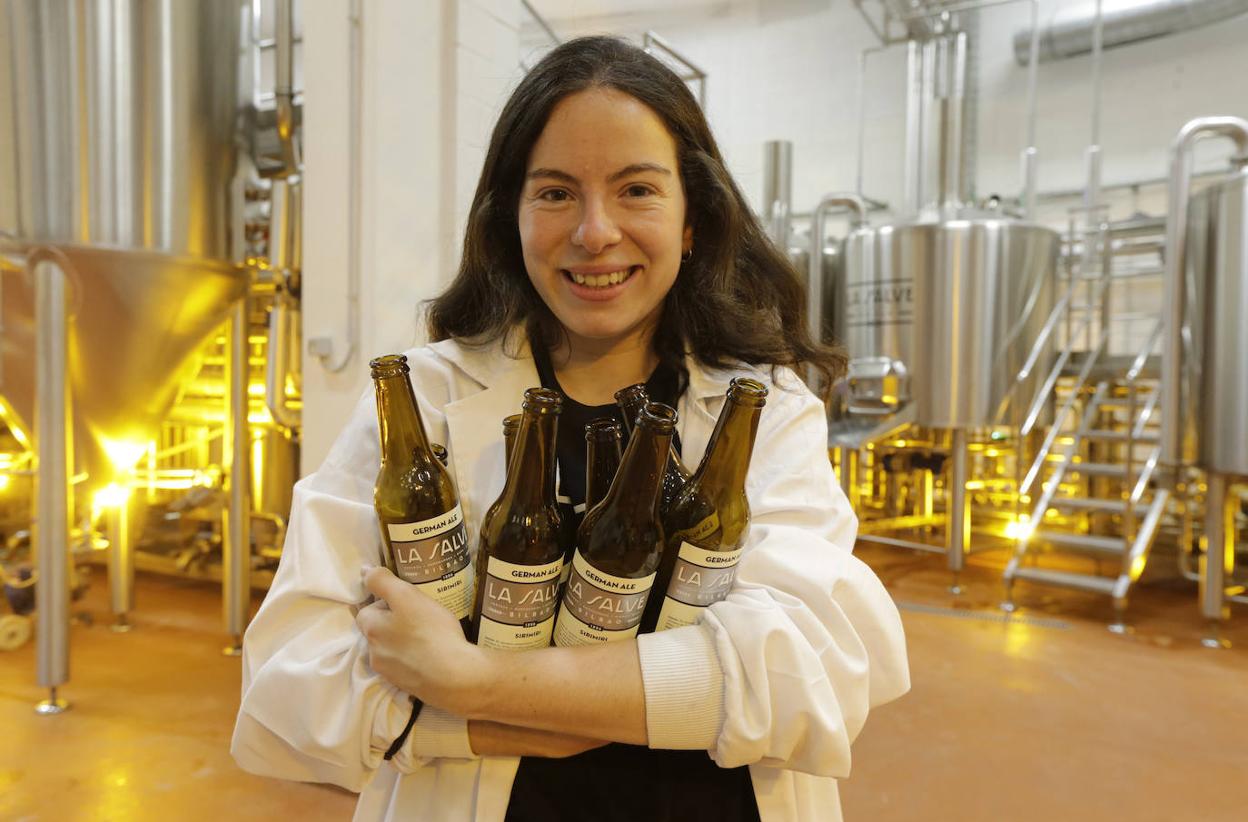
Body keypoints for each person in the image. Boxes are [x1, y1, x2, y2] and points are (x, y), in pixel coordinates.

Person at [232, 35, 909, 822]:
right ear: (510, 221)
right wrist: (478, 730)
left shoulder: (766, 407)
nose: (594, 232)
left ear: (694, 219)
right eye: (555, 193)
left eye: (637, 191)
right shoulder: (424, 396)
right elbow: (287, 679)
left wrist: (472, 682)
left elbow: (809, 672)